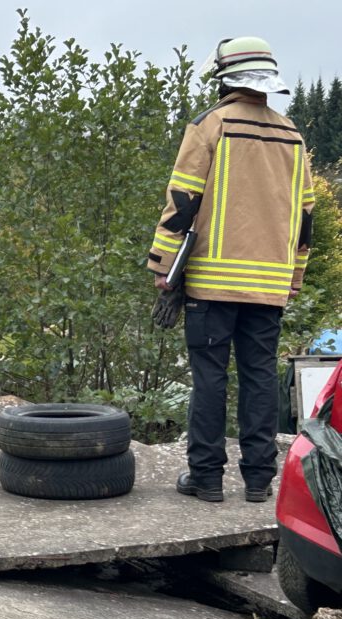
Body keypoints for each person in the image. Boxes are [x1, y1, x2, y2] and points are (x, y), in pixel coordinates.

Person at [148, 37, 315, 503]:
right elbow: (305, 219)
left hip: (211, 284)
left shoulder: (210, 125)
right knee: (260, 378)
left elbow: (182, 201)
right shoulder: (292, 136)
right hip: (268, 285)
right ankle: (259, 481)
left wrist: (163, 267)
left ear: (224, 77)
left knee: (210, 378)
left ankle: (206, 479)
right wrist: (295, 276)